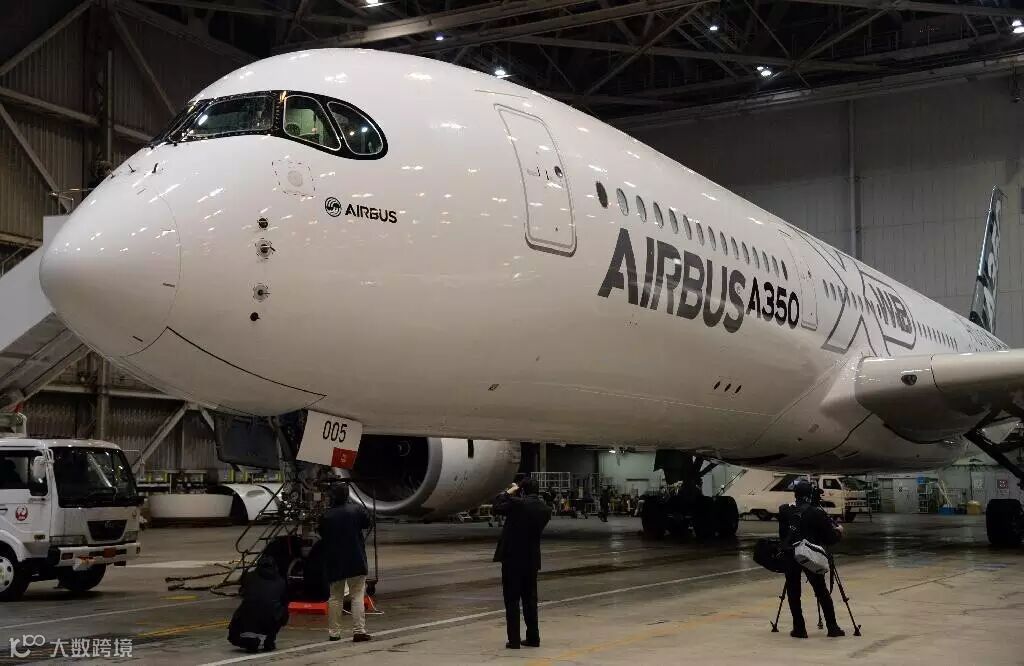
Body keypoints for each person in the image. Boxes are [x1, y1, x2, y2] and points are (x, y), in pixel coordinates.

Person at [778, 479, 845, 639]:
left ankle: (799, 629)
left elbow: (782, 535)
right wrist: (839, 532)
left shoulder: (784, 510)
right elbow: (829, 538)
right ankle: (832, 627)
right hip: (810, 556)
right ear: (811, 495)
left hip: (791, 554)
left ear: (795, 494)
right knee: (821, 590)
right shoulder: (817, 513)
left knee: (793, 593)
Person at [493, 477, 551, 649]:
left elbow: (496, 506)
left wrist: (509, 492)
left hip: (512, 558)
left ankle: (514, 639)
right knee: (530, 600)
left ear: (522, 490)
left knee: (512, 600)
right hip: (531, 559)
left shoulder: (517, 504)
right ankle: (533, 637)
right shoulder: (545, 509)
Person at [319, 484, 373, 643]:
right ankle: (359, 631)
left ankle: (334, 633)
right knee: (357, 596)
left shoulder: (327, 515)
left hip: (335, 561)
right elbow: (368, 523)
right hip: (356, 559)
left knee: (335, 597)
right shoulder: (356, 510)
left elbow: (321, 533)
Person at [227, 555, 289, 652]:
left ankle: (248, 640)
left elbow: (242, 592)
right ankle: (269, 640)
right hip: (270, 617)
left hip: (250, 615)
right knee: (281, 610)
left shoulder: (249, 576)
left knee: (244, 608)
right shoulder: (281, 581)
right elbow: (285, 601)